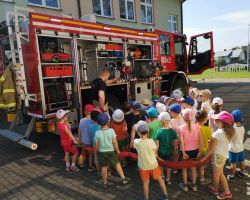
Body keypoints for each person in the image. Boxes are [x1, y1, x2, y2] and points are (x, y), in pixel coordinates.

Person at [202, 111, 234, 199]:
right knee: (220, 173)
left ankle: (216, 189)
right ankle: (226, 191)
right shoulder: (230, 131)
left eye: (216, 120)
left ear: (221, 122)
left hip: (217, 156)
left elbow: (211, 148)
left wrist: (204, 157)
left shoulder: (217, 133)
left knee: (216, 174)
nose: (214, 121)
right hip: (223, 155)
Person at [133, 121, 169, 200]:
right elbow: (155, 150)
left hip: (143, 166)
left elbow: (132, 145)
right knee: (160, 179)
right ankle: (165, 195)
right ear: (148, 131)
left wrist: (133, 133)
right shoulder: (151, 141)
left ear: (138, 132)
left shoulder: (136, 142)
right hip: (153, 164)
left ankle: (146, 198)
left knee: (146, 183)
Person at [94, 113, 129, 187]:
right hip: (111, 151)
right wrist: (117, 150)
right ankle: (123, 178)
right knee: (117, 164)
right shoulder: (111, 131)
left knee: (104, 167)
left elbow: (96, 145)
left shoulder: (97, 133)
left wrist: (95, 151)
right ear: (108, 122)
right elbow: (115, 142)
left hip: (102, 152)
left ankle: (105, 183)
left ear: (99, 123)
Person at [179, 108, 203, 192]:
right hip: (195, 150)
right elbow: (201, 140)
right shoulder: (197, 127)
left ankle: (185, 185)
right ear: (193, 117)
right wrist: (200, 151)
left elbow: (181, 141)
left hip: (185, 152)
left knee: (184, 168)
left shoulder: (181, 128)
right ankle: (194, 185)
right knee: (193, 168)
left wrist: (184, 152)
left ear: (183, 118)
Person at [155, 112, 178, 185]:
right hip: (169, 152)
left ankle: (162, 176)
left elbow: (157, 145)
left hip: (161, 152)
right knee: (168, 166)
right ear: (169, 120)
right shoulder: (173, 131)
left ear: (161, 121)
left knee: (161, 165)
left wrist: (155, 153)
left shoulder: (159, 132)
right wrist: (175, 151)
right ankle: (168, 179)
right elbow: (175, 143)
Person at [227, 110, 246, 181]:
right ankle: (242, 172)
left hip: (233, 149)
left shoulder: (233, 129)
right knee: (242, 161)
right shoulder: (242, 127)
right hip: (241, 148)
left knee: (233, 163)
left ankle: (232, 175)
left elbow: (229, 139)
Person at [195, 110, 212, 185]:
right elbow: (211, 139)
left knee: (193, 164)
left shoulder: (193, 127)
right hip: (203, 150)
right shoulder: (207, 129)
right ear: (205, 119)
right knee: (201, 166)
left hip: (194, 149)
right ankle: (202, 179)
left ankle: (193, 176)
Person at [78, 104, 95, 171]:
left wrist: (80, 139)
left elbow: (79, 130)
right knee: (90, 154)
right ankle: (90, 167)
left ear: (85, 112)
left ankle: (81, 164)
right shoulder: (93, 121)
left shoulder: (81, 120)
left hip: (83, 140)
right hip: (90, 141)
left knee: (83, 153)